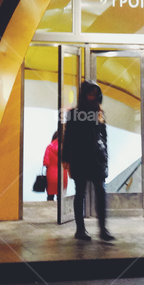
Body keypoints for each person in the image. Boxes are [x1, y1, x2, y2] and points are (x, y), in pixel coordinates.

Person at [62, 81, 114, 241]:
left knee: (100, 192)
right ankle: (80, 229)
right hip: (80, 157)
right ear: (84, 94)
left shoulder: (99, 113)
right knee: (80, 193)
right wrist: (65, 159)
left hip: (96, 158)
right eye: (89, 94)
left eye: (94, 94)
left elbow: (103, 135)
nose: (91, 97)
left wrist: (104, 155)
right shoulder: (74, 113)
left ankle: (102, 229)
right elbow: (68, 137)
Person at [42, 131, 67, 201]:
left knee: (50, 196)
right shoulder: (65, 148)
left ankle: (50, 210)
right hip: (63, 174)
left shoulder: (49, 147)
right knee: (61, 197)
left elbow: (46, 162)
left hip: (51, 175)